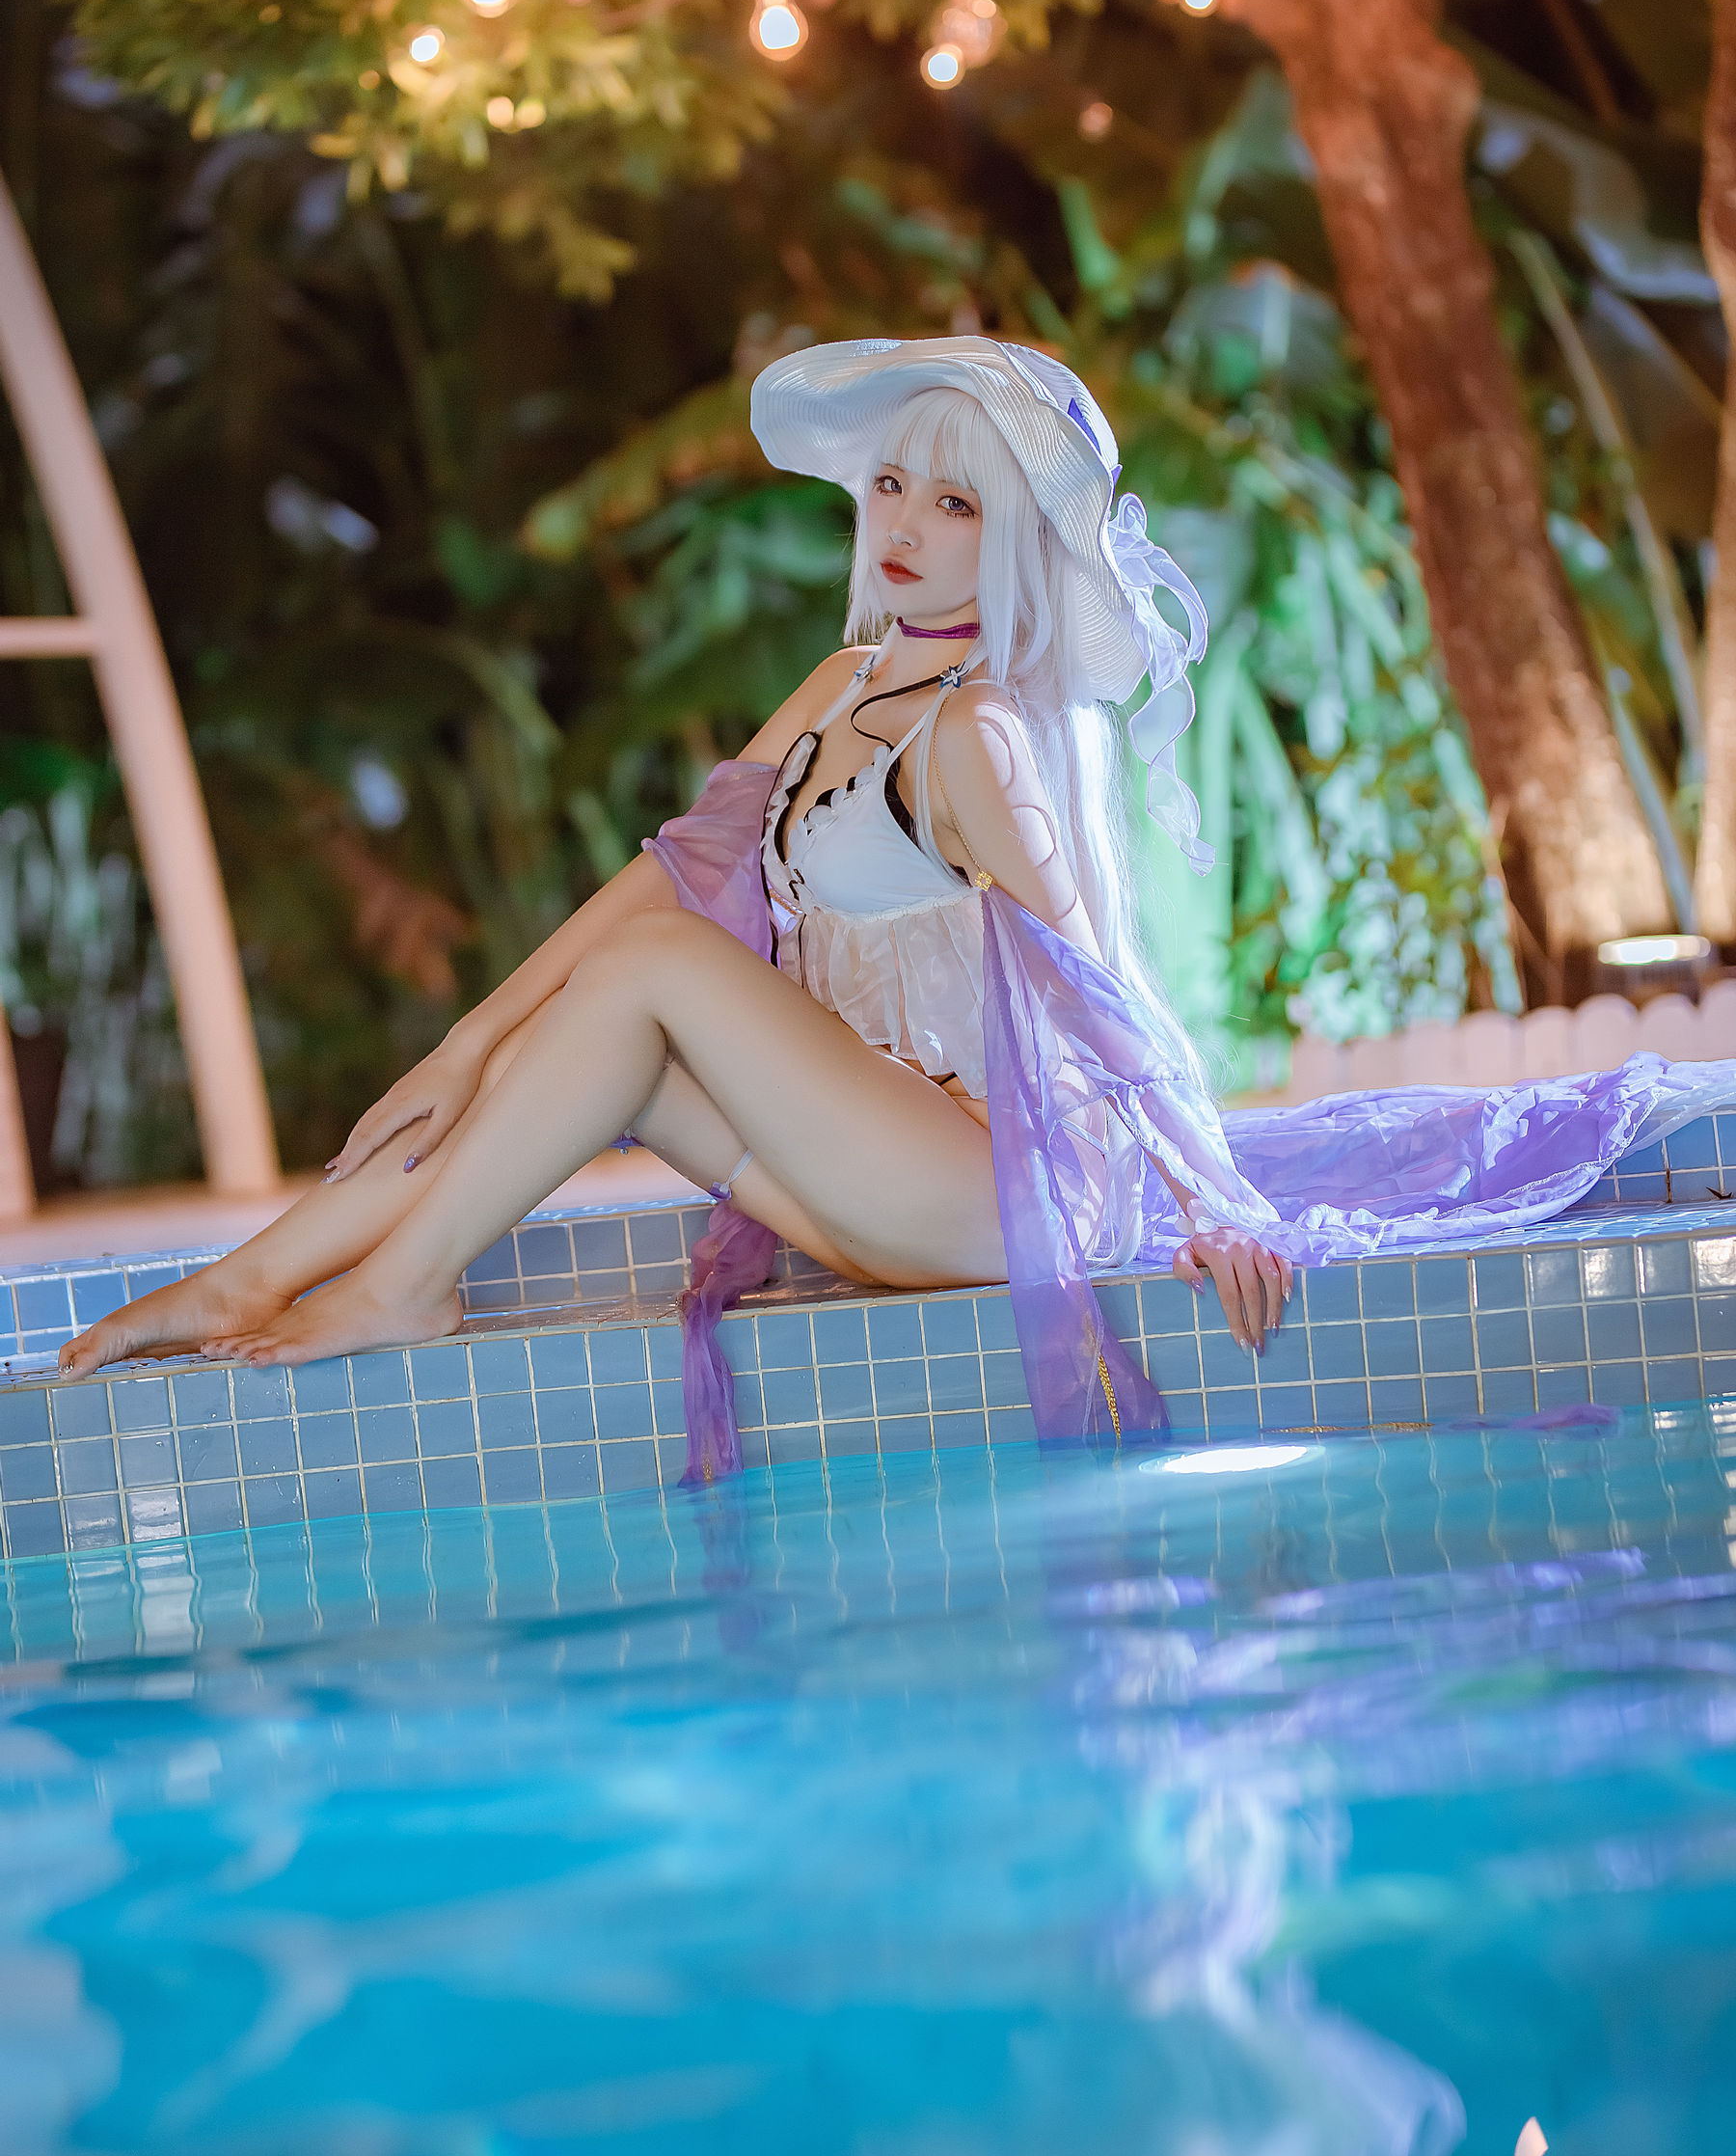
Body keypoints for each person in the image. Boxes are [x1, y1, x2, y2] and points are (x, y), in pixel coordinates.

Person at [58, 337, 1736, 1476]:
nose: (912, 528)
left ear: (1015, 535)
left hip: (996, 1192)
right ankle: (251, 1279)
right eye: (892, 491)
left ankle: (390, 1286)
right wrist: (456, 1046)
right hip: (869, 1181)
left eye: (958, 501)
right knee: (582, 1031)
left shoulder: (986, 730)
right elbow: (667, 875)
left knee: (644, 979)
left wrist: (1208, 1193)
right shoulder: (852, 678)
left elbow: (1099, 980)